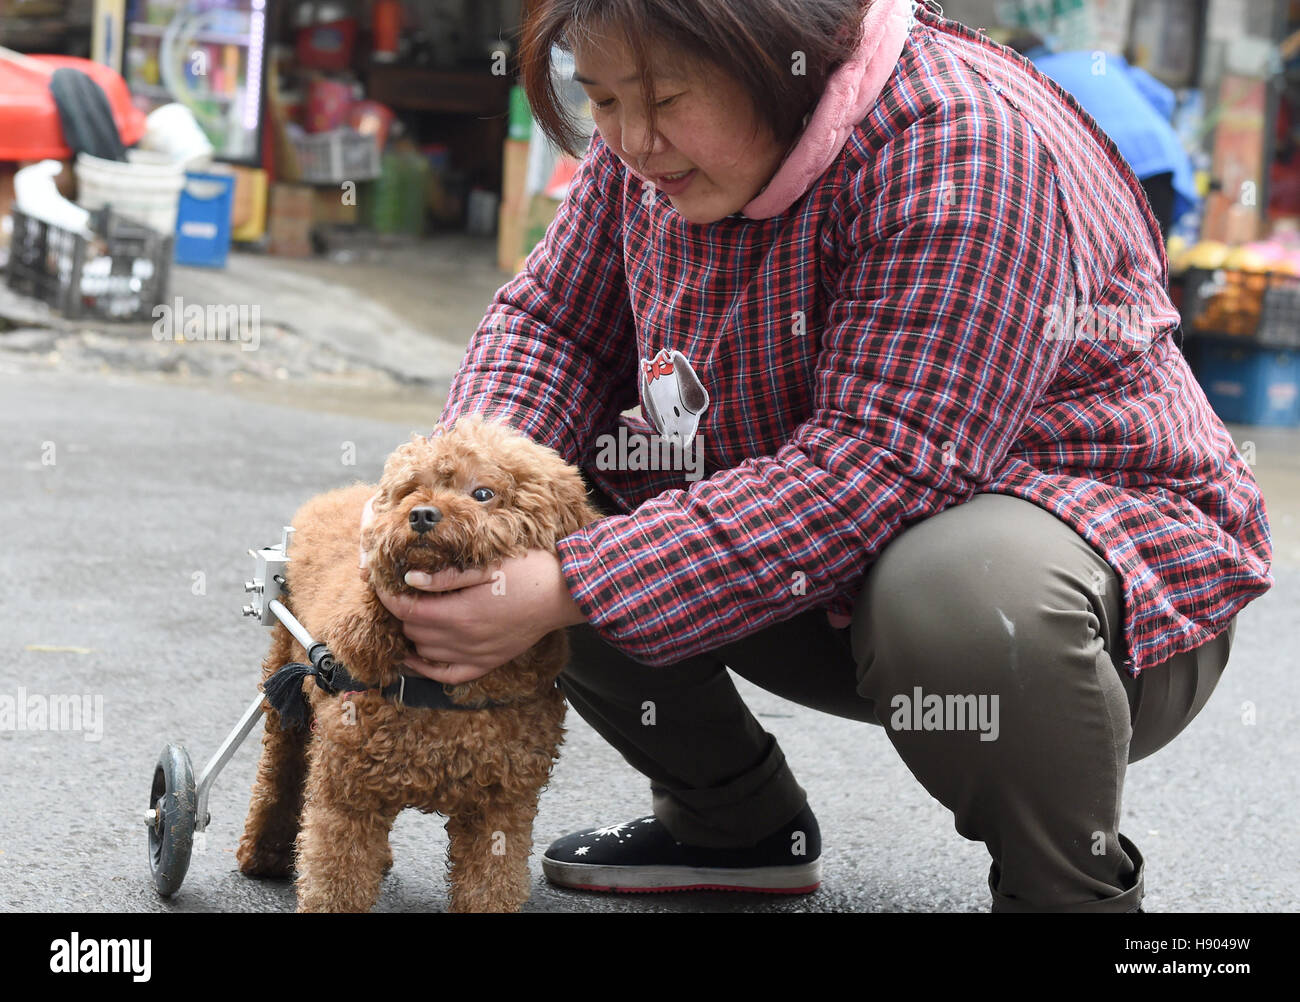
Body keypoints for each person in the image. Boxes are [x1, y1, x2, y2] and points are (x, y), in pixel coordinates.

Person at [361, 0, 1272, 913]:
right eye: (602, 101)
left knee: (960, 589)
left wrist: (567, 586)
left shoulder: (964, 148)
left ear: (776, 56)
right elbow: (554, 322)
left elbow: (880, 466)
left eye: (668, 99)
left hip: (1082, 591)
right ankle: (734, 824)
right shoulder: (650, 144)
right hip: (824, 553)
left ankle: (1070, 895)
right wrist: (467, 489)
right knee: (533, 503)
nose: (633, 142)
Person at [1006, 32, 1199, 240]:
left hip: (1106, 171)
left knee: (1103, 263)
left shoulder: (1027, 75)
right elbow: (1165, 99)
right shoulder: (1094, 60)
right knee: (1154, 263)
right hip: (1161, 158)